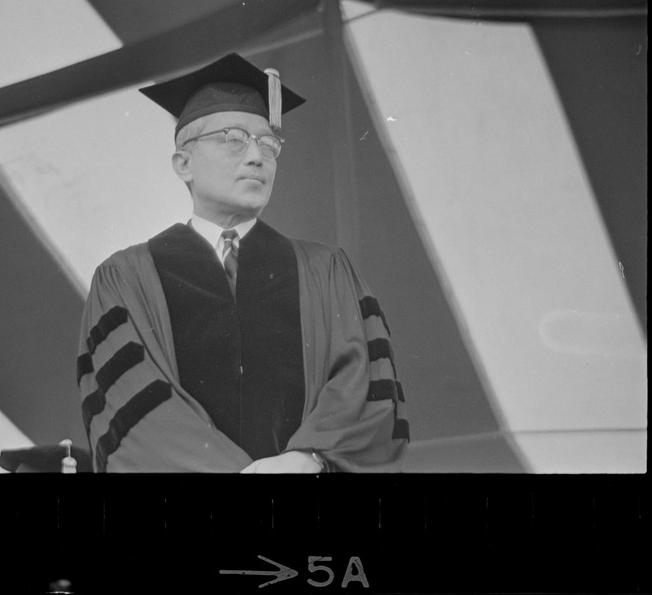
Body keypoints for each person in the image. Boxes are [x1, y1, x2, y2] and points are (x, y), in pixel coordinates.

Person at [77, 53, 409, 473]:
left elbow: (364, 387)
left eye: (268, 144)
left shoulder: (325, 271)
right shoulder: (126, 279)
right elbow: (129, 408)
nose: (256, 157)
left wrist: (306, 459)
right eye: (233, 138)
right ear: (184, 163)